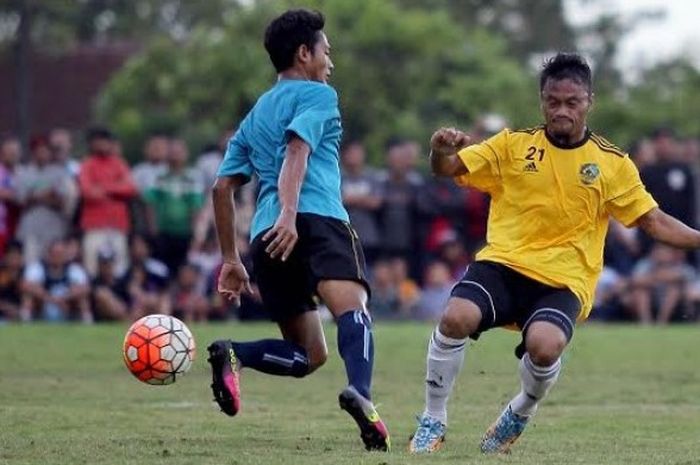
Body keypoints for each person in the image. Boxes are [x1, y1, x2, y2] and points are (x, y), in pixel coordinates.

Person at [408, 52, 700, 455]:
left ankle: (520, 409)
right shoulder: (512, 146)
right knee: (456, 316)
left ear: (589, 102)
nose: (561, 110)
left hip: (564, 279)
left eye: (572, 102)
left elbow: (654, 221)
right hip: (503, 263)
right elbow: (448, 168)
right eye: (553, 101)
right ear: (542, 100)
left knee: (544, 346)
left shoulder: (612, 163)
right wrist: (440, 150)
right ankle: (432, 419)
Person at [206, 9, 390, 451]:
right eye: (326, 50)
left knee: (310, 355)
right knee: (354, 312)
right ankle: (361, 393)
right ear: (304, 53)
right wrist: (292, 213)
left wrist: (231, 259)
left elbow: (221, 187)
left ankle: (236, 353)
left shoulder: (255, 114)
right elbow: (296, 151)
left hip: (266, 235)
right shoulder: (318, 95)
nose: (331, 59)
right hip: (316, 218)